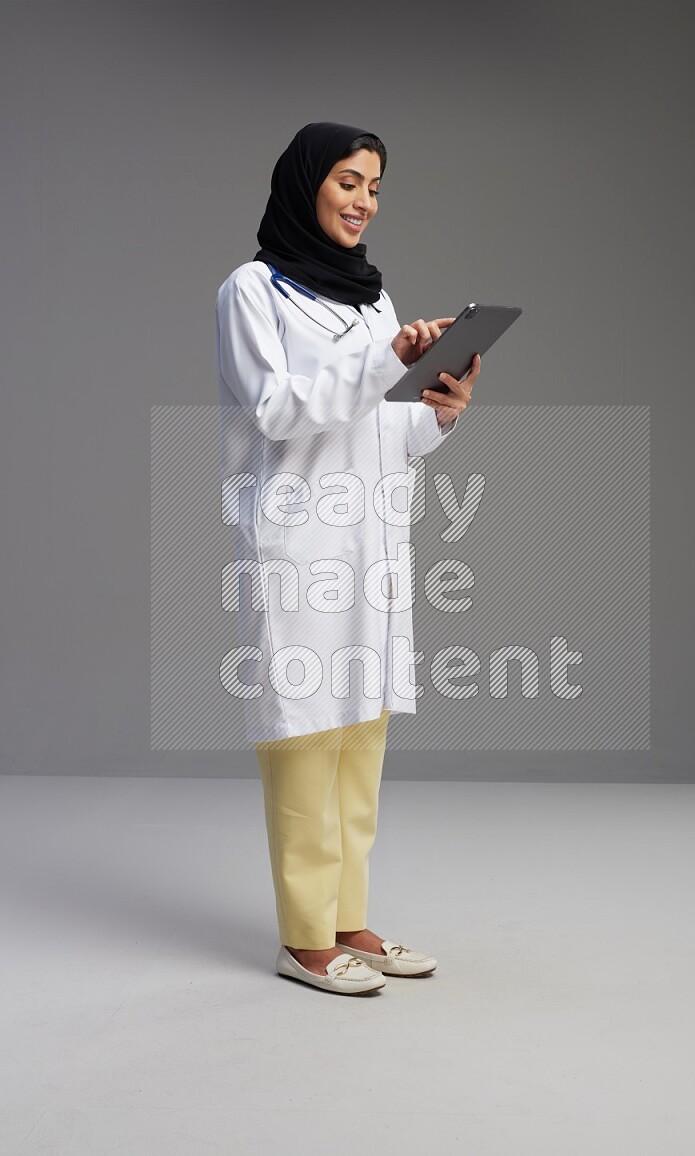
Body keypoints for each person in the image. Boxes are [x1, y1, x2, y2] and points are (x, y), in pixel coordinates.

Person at [215, 122, 479, 995]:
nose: (363, 199)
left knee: (362, 730)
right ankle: (302, 936)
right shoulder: (251, 291)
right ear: (303, 184)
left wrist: (439, 408)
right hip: (298, 544)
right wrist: (385, 358)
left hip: (371, 541)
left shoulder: (373, 297)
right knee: (302, 734)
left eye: (374, 185)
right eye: (347, 180)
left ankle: (349, 918)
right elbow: (276, 410)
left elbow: (384, 425)